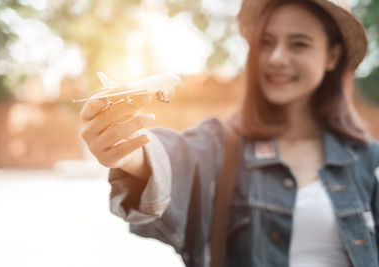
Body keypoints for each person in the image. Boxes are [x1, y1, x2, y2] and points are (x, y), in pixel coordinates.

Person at [79, 0, 379, 266]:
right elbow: (170, 159)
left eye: (298, 44)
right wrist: (130, 151)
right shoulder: (218, 147)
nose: (276, 57)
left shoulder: (369, 161)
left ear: (332, 55)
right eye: (266, 42)